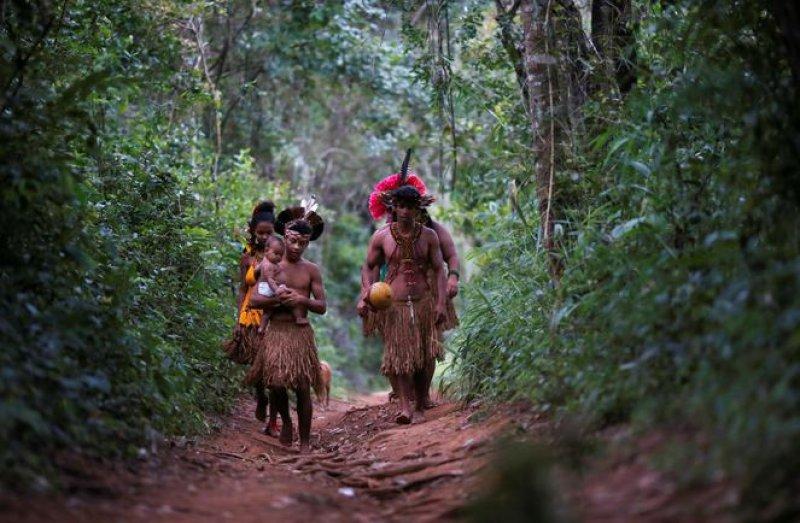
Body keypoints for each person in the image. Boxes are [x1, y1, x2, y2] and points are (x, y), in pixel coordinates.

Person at [362, 164, 461, 408]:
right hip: (392, 298)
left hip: (425, 295)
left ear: (418, 208)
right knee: (399, 351)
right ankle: (404, 402)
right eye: (400, 206)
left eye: (410, 206)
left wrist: (444, 294)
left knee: (427, 350)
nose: (405, 211)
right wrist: (367, 292)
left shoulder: (432, 234)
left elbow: (443, 265)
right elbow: (368, 265)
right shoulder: (383, 235)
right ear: (393, 207)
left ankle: (423, 396)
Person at [247, 202, 327, 452]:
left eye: (302, 243)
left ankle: (304, 441)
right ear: (284, 237)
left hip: (300, 333)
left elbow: (322, 306)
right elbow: (255, 300)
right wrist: (277, 299)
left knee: (303, 387)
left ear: (308, 243)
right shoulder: (271, 265)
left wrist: (301, 300)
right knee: (277, 384)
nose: (296, 247)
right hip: (277, 332)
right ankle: (286, 422)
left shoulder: (311, 270)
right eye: (292, 241)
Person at [223, 201, 279, 434]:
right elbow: (242, 289)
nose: (265, 237)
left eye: (269, 232)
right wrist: (238, 320)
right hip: (250, 315)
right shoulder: (246, 256)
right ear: (253, 232)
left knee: (274, 369)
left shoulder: (280, 254)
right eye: (261, 232)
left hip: (273, 316)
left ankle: (274, 420)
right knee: (256, 365)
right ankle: (260, 396)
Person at [254, 236, 307, 332]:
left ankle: (262, 328)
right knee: (291, 299)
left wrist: (256, 272)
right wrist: (277, 290)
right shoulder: (268, 265)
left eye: (280, 255)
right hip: (270, 288)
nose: (278, 257)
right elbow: (270, 280)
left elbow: (256, 269)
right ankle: (298, 317)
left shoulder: (264, 262)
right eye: (276, 254)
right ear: (266, 251)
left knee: (267, 312)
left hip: (267, 287)